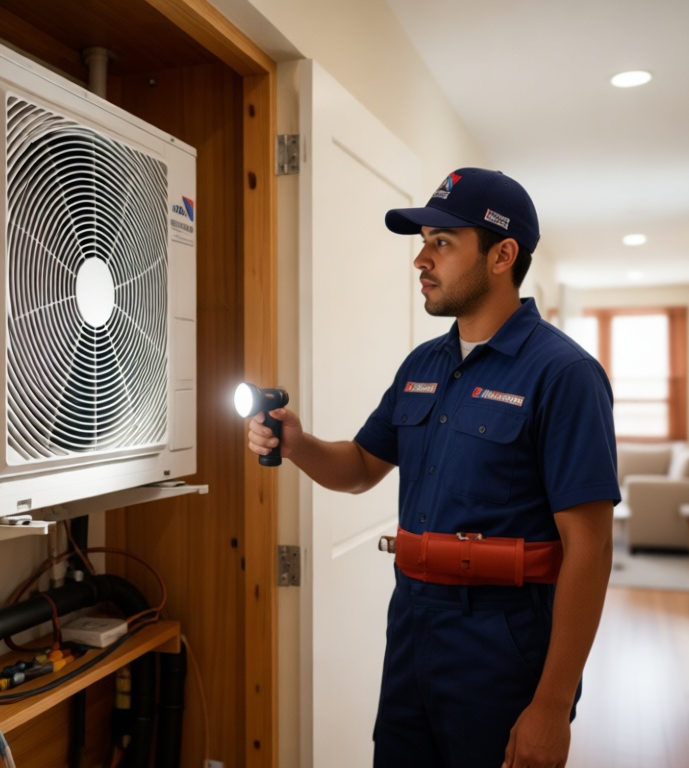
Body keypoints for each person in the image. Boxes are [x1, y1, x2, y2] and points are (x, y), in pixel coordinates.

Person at [245, 168, 619, 768]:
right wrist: (298, 442)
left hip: (504, 643)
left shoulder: (564, 375)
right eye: (423, 241)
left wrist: (550, 706)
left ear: (502, 255)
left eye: (442, 243)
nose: (421, 259)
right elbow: (363, 465)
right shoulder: (424, 363)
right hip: (414, 632)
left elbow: (591, 548)